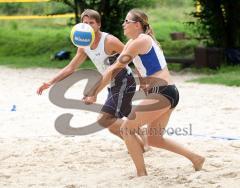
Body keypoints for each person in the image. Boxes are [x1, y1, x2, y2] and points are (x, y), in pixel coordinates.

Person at [83, 9, 205, 177]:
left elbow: (113, 69)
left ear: (137, 24)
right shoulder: (137, 41)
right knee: (154, 139)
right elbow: (141, 65)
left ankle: (141, 174)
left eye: (127, 21)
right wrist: (142, 83)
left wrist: (93, 91)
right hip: (169, 92)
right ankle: (196, 158)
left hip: (162, 93)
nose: (123, 24)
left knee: (126, 129)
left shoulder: (140, 41)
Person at [36, 9, 147, 151]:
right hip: (111, 84)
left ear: (99, 25)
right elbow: (71, 67)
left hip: (124, 81)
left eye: (91, 23)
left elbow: (135, 56)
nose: (88, 26)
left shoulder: (110, 41)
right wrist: (50, 82)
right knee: (113, 125)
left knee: (104, 120)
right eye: (85, 23)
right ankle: (138, 139)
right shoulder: (84, 44)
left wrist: (143, 81)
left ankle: (138, 138)